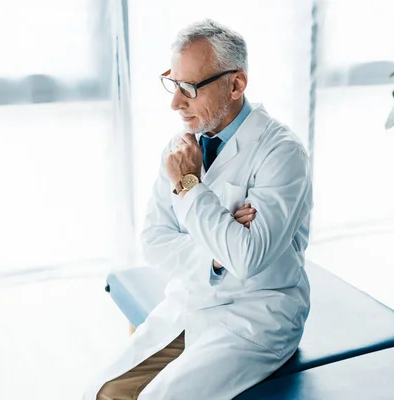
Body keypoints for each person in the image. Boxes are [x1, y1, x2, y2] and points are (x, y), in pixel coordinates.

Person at [83, 19, 313, 399]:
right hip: (191, 301)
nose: (175, 102)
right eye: (173, 84)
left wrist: (190, 187)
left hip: (257, 317)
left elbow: (250, 257)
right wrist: (219, 257)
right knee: (103, 391)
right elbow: (155, 242)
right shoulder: (180, 147)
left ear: (236, 84)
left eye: (189, 87)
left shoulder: (281, 152)